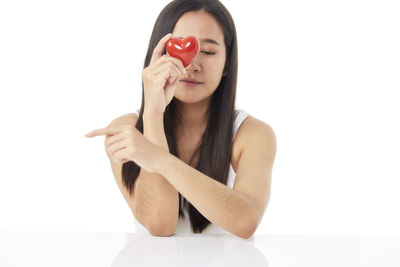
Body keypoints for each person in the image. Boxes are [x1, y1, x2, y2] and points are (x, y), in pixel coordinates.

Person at [85, 0, 276, 239]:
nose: (192, 65)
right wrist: (153, 114)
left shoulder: (252, 134)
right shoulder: (126, 130)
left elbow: (246, 222)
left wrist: (158, 159)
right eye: (178, 49)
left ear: (227, 63)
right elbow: (160, 224)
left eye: (208, 52)